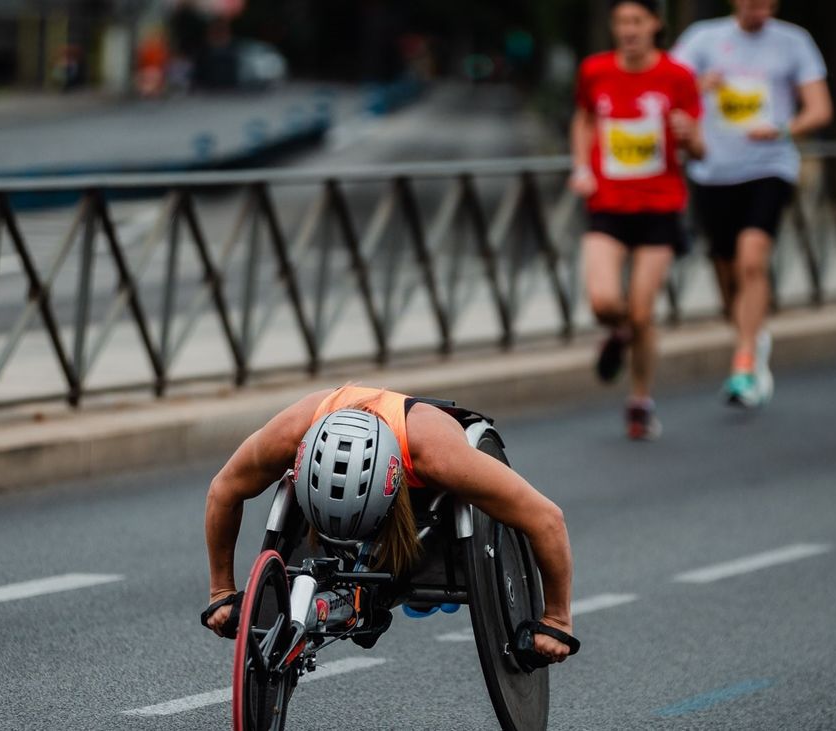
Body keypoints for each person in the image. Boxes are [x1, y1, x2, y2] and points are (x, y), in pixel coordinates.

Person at [201, 385, 577, 663]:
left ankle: (402, 573)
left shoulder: (439, 456)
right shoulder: (289, 433)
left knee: (430, 562)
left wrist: (557, 619)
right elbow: (223, 491)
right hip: (331, 442)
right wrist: (222, 591)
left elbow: (546, 519)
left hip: (417, 460)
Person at [672, 0, 832, 408]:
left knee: (752, 261)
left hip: (769, 167)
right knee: (727, 273)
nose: (761, 6)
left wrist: (782, 128)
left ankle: (743, 361)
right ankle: (752, 335)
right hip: (713, 171)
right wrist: (694, 89)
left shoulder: (794, 41)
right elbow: (666, 92)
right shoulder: (703, 39)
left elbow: (820, 109)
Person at [570, 0, 704, 439]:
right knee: (604, 301)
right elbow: (585, 118)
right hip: (607, 203)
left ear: (655, 26)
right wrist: (581, 166)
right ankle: (618, 331)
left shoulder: (677, 76)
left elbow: (700, 148)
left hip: (659, 207)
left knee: (643, 311)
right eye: (621, 22)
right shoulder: (595, 70)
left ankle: (640, 402)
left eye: (636, 21)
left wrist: (690, 135)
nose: (628, 30)